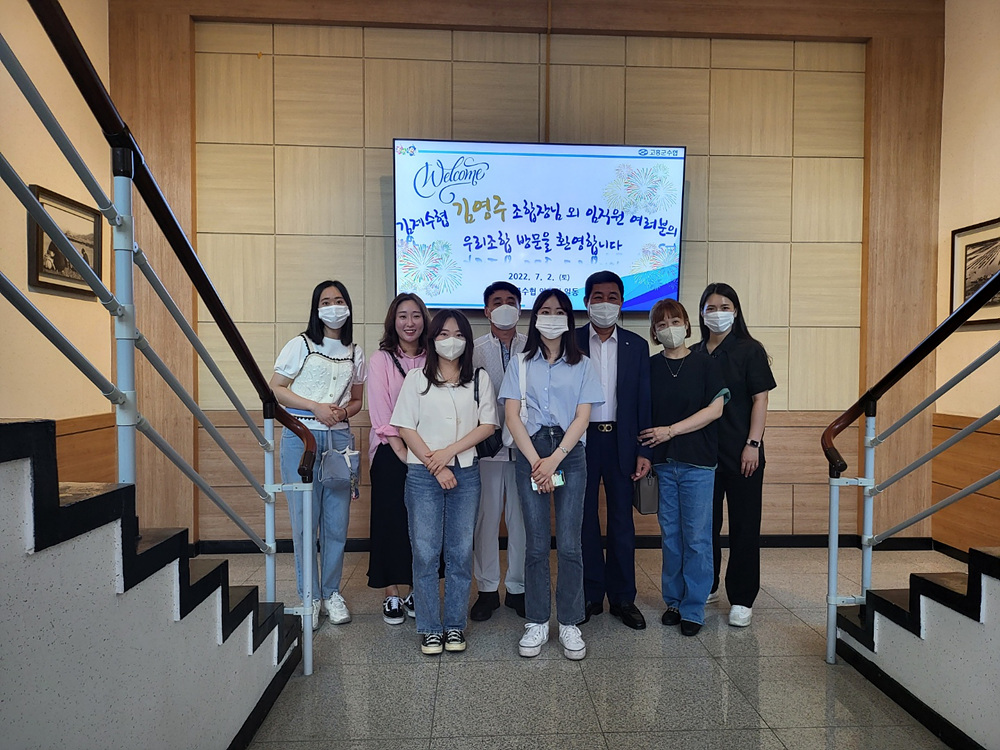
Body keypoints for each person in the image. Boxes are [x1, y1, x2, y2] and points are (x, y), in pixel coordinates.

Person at [500, 289, 604, 661]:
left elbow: (583, 417)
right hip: (530, 451)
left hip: (570, 454)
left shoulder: (583, 364)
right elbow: (512, 416)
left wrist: (555, 460)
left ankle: (570, 622)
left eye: (559, 311)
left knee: (571, 544)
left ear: (569, 320)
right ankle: (538, 620)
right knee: (536, 543)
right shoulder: (520, 362)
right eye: (545, 311)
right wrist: (536, 462)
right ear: (535, 318)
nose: (552, 317)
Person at [391, 310, 498, 655]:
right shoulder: (416, 379)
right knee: (425, 552)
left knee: (460, 551)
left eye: (458, 334)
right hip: (423, 475)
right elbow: (405, 426)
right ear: (432, 339)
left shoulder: (479, 378)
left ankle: (454, 625)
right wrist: (436, 466)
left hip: (465, 472)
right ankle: (429, 627)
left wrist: (449, 454)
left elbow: (488, 425)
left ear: (467, 341)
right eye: (443, 334)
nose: (451, 341)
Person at [270, 280, 366, 628]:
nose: (333, 307)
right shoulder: (301, 345)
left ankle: (332, 592)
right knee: (304, 522)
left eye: (339, 300)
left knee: (337, 522)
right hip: (302, 437)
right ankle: (309, 595)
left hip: (339, 439)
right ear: (316, 308)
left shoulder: (355, 351)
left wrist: (342, 412)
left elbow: (357, 400)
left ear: (348, 307)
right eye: (326, 301)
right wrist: (315, 407)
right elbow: (276, 388)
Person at [639, 299, 729, 636]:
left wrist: (671, 430)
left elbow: (715, 410)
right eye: (661, 324)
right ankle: (674, 601)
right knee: (671, 537)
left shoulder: (706, 364)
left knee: (697, 538)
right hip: (663, 464)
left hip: (698, 464)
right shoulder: (650, 367)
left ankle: (694, 607)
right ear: (654, 332)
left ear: (687, 325)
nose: (669, 329)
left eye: (675, 321)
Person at [690, 282, 776, 628]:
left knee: (744, 526)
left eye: (725, 307)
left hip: (743, 453)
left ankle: (742, 597)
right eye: (710, 307)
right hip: (703, 455)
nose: (718, 313)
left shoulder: (749, 350)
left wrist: (753, 444)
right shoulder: (695, 353)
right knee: (704, 526)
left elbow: (760, 399)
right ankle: (708, 584)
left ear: (736, 311)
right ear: (701, 314)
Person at [575, 271, 652, 631]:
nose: (605, 303)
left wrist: (644, 449)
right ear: (586, 302)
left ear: (622, 302)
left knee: (622, 521)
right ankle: (591, 594)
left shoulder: (637, 345)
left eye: (612, 297)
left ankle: (623, 598)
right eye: (598, 297)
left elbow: (644, 400)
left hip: (623, 441)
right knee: (584, 520)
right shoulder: (571, 341)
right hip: (581, 441)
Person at [366, 293, 430, 624]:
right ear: (393, 320)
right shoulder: (380, 359)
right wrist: (405, 454)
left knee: (423, 524)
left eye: (416, 315)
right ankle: (391, 592)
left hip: (429, 451)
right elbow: (381, 414)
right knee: (390, 522)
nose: (409, 322)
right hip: (391, 451)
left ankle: (418, 588)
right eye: (403, 316)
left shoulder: (434, 356)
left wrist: (424, 454)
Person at [470, 281, 528, 621]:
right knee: (486, 519)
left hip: (526, 449)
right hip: (487, 449)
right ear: (487, 310)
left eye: (510, 301)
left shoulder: (533, 346)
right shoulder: (474, 350)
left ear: (519, 309)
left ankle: (518, 588)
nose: (504, 307)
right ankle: (488, 590)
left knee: (522, 521)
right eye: (497, 302)